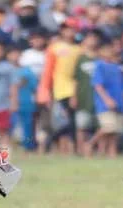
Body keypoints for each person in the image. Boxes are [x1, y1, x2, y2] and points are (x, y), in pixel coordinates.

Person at [37, 19, 81, 154]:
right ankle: (47, 146)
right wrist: (45, 92)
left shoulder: (79, 49)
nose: (69, 32)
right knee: (60, 123)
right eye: (66, 29)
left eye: (72, 29)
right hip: (59, 91)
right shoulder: (54, 48)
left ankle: (73, 149)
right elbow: (48, 72)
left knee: (73, 122)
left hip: (75, 91)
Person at [87, 39, 123, 158]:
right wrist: (107, 100)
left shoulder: (115, 66)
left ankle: (112, 152)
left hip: (119, 102)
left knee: (115, 130)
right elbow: (98, 85)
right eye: (106, 50)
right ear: (100, 52)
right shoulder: (99, 65)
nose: (109, 52)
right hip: (105, 103)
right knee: (108, 127)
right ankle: (90, 144)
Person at [71, 29, 101, 155]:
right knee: (81, 126)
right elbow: (75, 80)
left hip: (99, 98)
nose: (92, 41)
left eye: (94, 38)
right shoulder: (80, 58)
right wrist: (74, 96)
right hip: (83, 96)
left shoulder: (100, 58)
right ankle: (80, 150)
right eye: (89, 38)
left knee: (100, 125)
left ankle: (98, 150)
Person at [8, 45, 38, 151]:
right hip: (8, 104)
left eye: (17, 53)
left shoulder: (27, 71)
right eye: (12, 54)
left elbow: (35, 87)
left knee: (28, 126)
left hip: (26, 102)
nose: (15, 56)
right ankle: (8, 148)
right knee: (9, 126)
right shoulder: (5, 70)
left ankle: (29, 148)